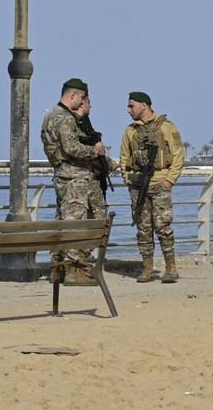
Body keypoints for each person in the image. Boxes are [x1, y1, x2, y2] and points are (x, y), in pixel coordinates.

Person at [40, 78, 106, 285]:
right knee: (75, 223)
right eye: (82, 97)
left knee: (63, 221)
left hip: (63, 174)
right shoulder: (65, 118)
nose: (83, 101)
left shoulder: (50, 116)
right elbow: (71, 148)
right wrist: (95, 151)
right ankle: (73, 270)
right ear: (72, 95)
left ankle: (57, 267)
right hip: (75, 177)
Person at [120, 92, 185, 283]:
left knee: (163, 227)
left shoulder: (167, 127)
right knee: (143, 229)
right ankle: (147, 268)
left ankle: (171, 268)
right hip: (138, 186)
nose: (128, 110)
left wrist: (169, 181)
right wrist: (128, 179)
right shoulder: (130, 131)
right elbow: (124, 158)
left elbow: (178, 155)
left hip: (159, 183)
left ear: (144, 105)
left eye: (131, 106)